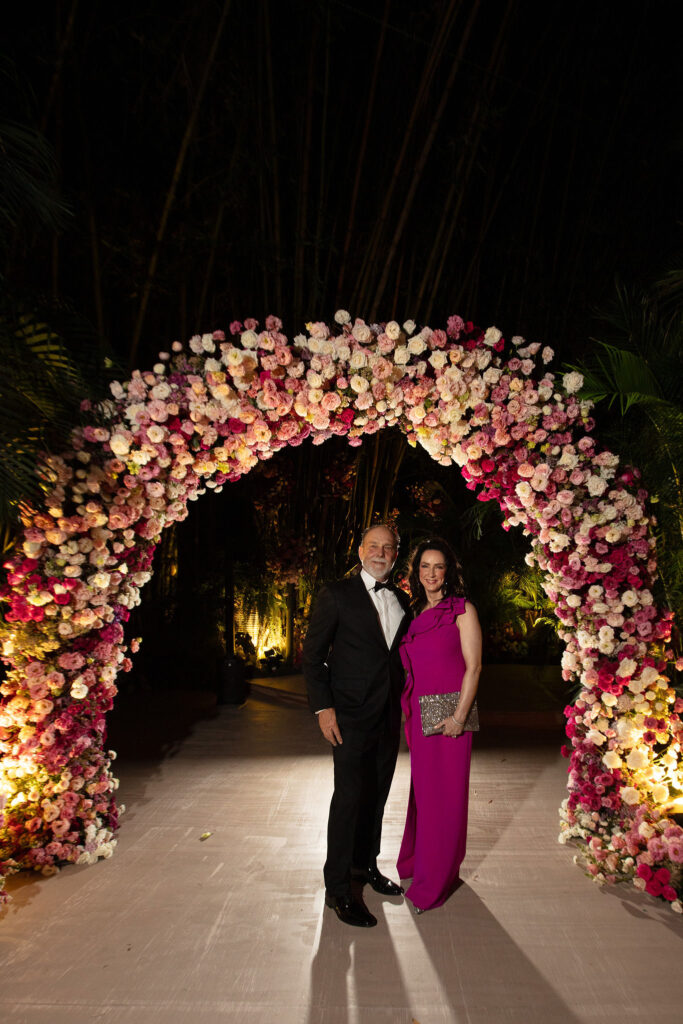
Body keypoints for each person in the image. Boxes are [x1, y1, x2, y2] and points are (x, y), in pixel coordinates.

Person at [303, 523, 411, 928]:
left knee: (377, 794)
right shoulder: (336, 594)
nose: (381, 552)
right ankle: (337, 890)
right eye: (374, 546)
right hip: (347, 714)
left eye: (389, 547)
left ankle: (366, 867)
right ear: (360, 550)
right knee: (348, 798)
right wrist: (323, 708)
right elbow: (313, 658)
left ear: (396, 554)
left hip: (387, 715)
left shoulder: (402, 599)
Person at [397, 537, 482, 913]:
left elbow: (474, 667)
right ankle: (419, 864)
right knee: (425, 798)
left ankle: (434, 884)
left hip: (450, 716)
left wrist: (459, 718)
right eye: (425, 567)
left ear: (449, 571)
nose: (431, 574)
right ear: (417, 574)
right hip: (420, 716)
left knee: (445, 802)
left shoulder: (463, 610)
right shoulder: (415, 614)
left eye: (438, 566)